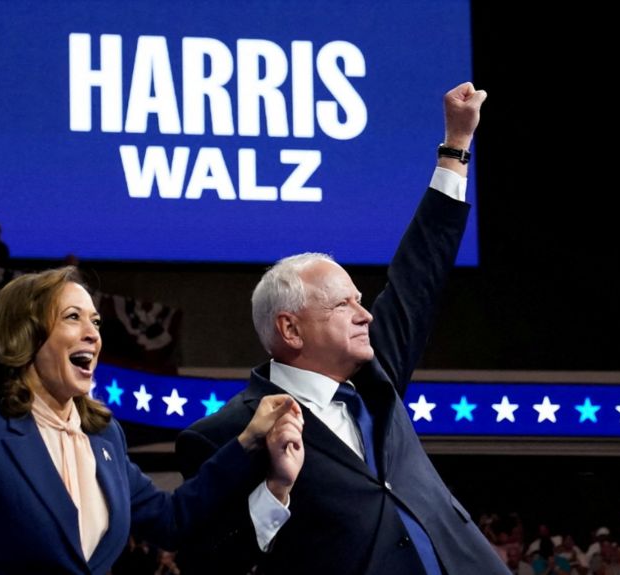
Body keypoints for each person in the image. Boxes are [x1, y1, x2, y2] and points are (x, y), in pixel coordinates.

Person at [175, 82, 508, 575]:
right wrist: (274, 493)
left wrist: (455, 146)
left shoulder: (376, 378)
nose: (365, 314)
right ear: (290, 329)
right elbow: (212, 561)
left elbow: (420, 274)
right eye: (343, 305)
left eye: (360, 301)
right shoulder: (224, 436)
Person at [0, 266, 305, 575]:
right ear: (25, 335)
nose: (93, 334)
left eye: (95, 321)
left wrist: (247, 442)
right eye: (72, 318)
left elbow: (172, 520)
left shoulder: (104, 437)